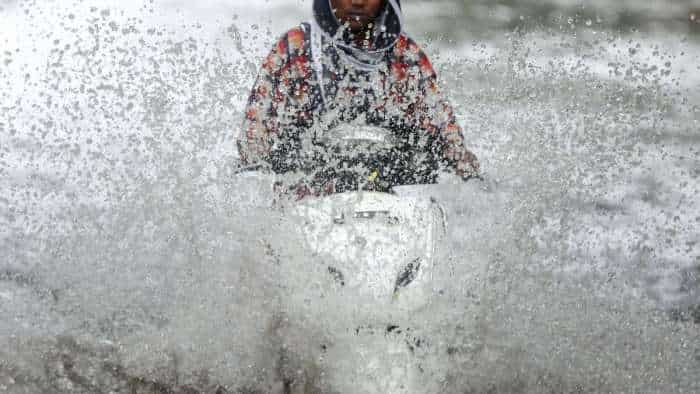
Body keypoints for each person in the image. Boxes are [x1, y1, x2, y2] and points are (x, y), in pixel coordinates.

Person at [237, 0, 480, 198]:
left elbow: (445, 133)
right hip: (303, 198)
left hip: (386, 200)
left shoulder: (406, 56)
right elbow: (255, 135)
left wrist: (464, 168)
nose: (357, 1)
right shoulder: (294, 48)